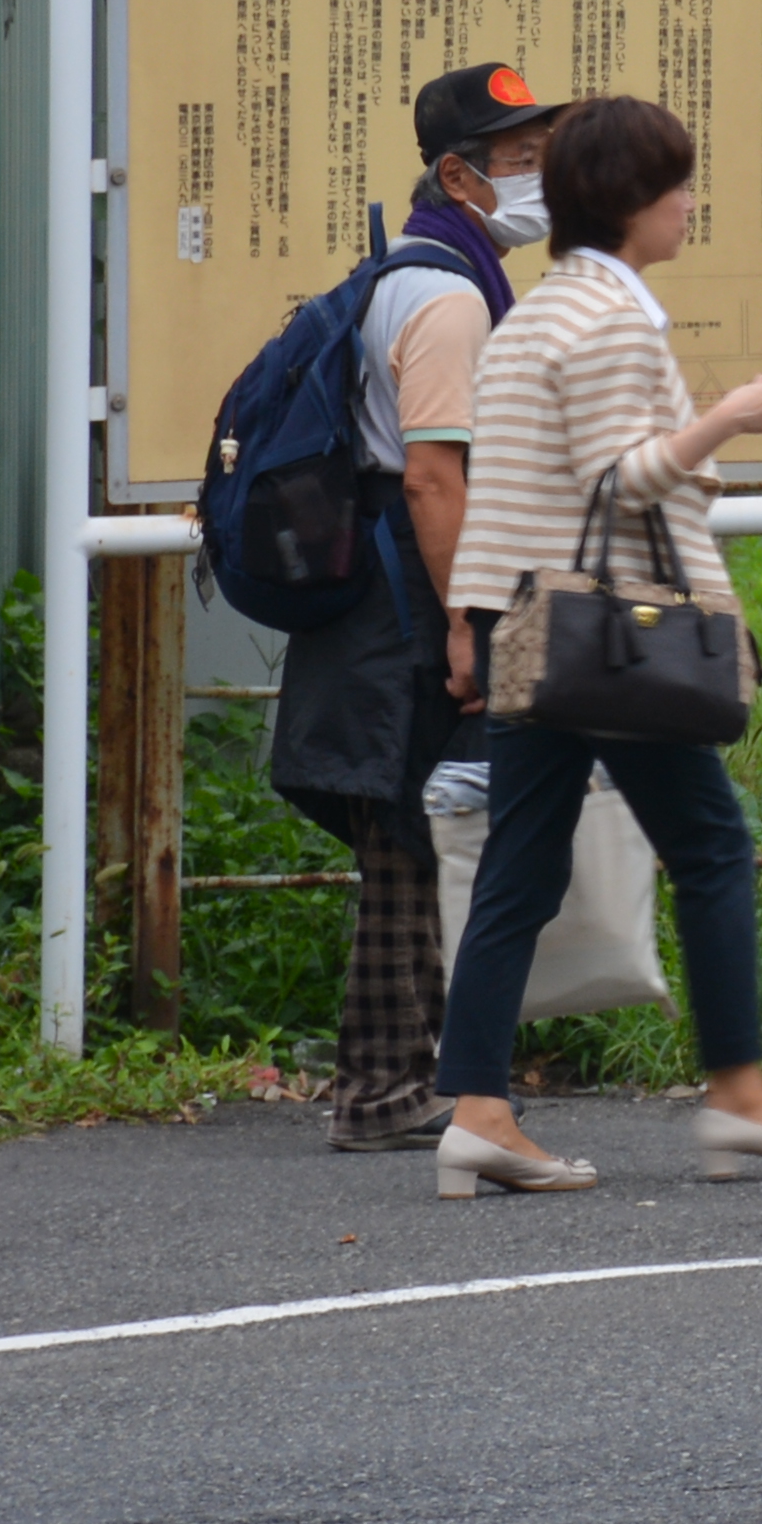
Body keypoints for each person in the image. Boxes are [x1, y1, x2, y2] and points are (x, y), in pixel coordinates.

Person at [429, 95, 762, 1196]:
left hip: (532, 625)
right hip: (613, 635)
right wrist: (728, 416)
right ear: (630, 200)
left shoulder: (536, 314)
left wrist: (470, 619)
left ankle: (477, 1110)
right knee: (710, 847)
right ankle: (739, 1092)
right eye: (676, 186)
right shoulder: (615, 321)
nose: (689, 205)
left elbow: (506, 488)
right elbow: (621, 479)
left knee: (520, 867)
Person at [278, 64, 553, 1151]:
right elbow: (436, 478)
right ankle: (384, 1091)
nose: (540, 178)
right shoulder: (447, 298)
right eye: (521, 160)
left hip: (379, 598)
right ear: (459, 173)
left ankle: (408, 1077)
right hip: (406, 605)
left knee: (411, 834)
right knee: (405, 837)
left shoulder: (415, 270)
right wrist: (467, 622)